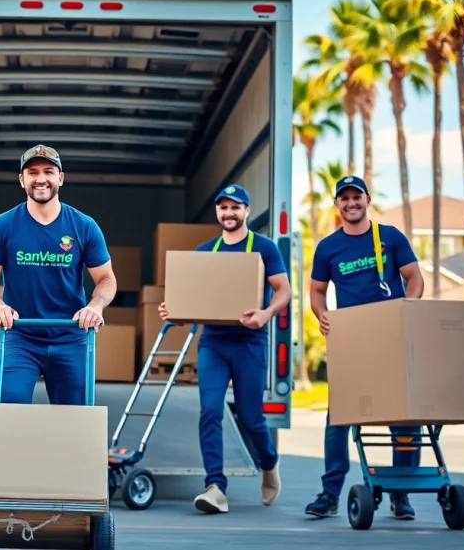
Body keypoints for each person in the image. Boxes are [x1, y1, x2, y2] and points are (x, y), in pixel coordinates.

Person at [157, 184, 290, 514]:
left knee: (250, 418)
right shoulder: (206, 251)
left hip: (249, 343)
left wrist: (266, 313)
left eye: (235, 207)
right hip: (214, 343)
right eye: (223, 207)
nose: (229, 213)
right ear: (217, 212)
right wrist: (172, 311)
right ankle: (215, 487)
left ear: (246, 210)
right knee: (210, 412)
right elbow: (194, 301)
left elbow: (283, 291)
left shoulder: (264, 248)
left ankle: (269, 463)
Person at [305, 175, 425, 521]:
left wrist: (409, 308)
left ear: (367, 200)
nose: (351, 203)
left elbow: (414, 277)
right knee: (338, 419)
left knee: (404, 418)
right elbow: (316, 290)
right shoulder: (328, 247)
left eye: (357, 197)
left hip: (392, 337)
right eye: (344, 198)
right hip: (352, 341)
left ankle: (400, 494)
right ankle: (329, 494)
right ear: (337, 205)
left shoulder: (389, 237)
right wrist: (322, 315)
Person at [0, 144, 117, 405]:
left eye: (49, 171)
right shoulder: (3, 225)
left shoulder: (84, 226)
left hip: (70, 336)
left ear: (60, 178)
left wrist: (95, 307)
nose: (41, 179)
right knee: (9, 409)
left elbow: (106, 278)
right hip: (20, 334)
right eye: (32, 172)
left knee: (74, 420)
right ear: (22, 180)